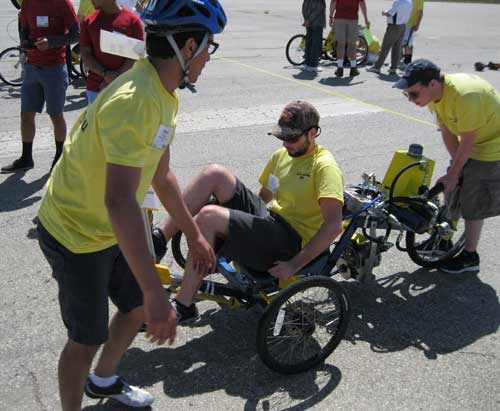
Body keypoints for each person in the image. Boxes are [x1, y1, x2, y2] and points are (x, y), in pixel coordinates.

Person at [36, 0, 226, 409]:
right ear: (189, 47)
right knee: (86, 338)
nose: (210, 58)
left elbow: (162, 175)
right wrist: (158, 295)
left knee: (135, 307)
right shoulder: (137, 100)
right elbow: (119, 200)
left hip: (108, 225)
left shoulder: (162, 91)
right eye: (210, 47)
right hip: (75, 231)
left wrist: (194, 235)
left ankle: (103, 381)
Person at [152, 101, 345, 322]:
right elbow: (265, 195)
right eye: (282, 137)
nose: (285, 144)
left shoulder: (324, 167)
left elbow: (333, 225)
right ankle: (159, 238)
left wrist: (294, 264)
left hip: (290, 242)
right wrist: (238, 220)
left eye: (292, 138)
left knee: (208, 217)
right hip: (272, 222)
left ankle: (184, 306)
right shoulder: (282, 156)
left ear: (312, 133)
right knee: (215, 173)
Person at [394, 59, 500, 274]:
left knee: (472, 199)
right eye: (407, 94)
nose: (410, 100)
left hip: (493, 147)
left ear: (432, 84)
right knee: (452, 191)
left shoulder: (465, 96)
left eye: (413, 94)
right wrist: (455, 171)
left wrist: (455, 174)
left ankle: (470, 257)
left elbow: (469, 139)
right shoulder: (435, 97)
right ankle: (444, 241)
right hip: (472, 143)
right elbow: (447, 131)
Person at [0, 0, 79, 174]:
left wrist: (51, 42)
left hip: (54, 68)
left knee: (55, 115)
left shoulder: (63, 3)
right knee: (26, 115)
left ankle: (59, 158)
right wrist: (24, 41)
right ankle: (26, 158)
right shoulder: (28, 2)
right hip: (31, 67)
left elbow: (76, 35)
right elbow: (24, 29)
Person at [80, 0, 144, 104]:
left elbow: (136, 55)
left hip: (126, 89)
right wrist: (105, 74)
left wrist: (115, 78)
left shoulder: (133, 21)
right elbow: (85, 54)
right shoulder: (89, 21)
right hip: (96, 89)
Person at [366, 0, 411, 75]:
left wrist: (384, 12)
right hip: (403, 25)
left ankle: (377, 67)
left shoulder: (397, 2)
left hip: (394, 26)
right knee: (397, 47)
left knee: (385, 47)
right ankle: (394, 67)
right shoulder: (409, 2)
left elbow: (390, 13)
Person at [329, 0, 370, 78]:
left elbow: (333, 2)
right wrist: (366, 19)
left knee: (341, 44)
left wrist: (331, 16)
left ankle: (340, 68)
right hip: (353, 18)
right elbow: (362, 4)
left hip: (339, 17)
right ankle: (353, 67)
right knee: (352, 44)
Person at [302, 0, 327, 73]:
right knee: (315, 44)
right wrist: (309, 20)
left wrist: (306, 19)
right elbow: (319, 10)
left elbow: (304, 7)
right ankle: (313, 65)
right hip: (317, 23)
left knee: (309, 43)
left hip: (309, 23)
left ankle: (307, 63)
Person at [401, 0, 424, 68]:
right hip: (402, 22)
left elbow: (420, 12)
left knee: (408, 43)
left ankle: (407, 61)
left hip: (410, 23)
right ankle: (403, 59)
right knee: (403, 42)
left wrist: (417, 24)